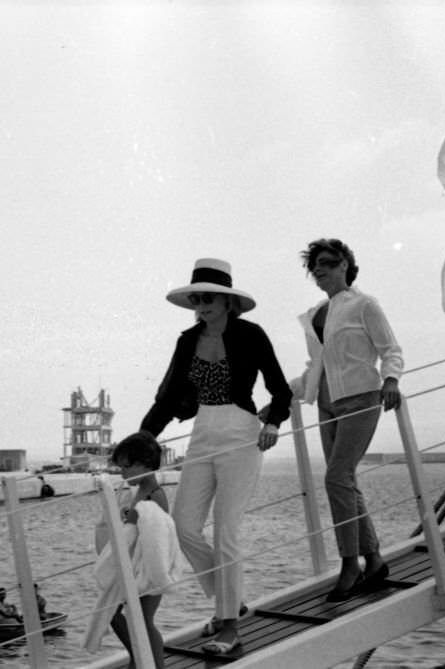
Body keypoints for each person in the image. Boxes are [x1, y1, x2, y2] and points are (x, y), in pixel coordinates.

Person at [139, 257, 292, 656]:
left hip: (242, 434)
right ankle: (230, 598)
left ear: (227, 302)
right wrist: (142, 440)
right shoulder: (187, 341)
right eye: (196, 300)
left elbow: (280, 391)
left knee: (226, 531)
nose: (201, 306)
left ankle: (229, 625)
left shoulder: (251, 335)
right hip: (203, 432)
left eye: (208, 299)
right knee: (184, 526)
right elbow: (169, 396)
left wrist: (274, 423)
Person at [292, 238, 403, 602]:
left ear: (345, 264)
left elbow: (390, 349)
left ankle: (348, 564)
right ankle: (373, 560)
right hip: (326, 402)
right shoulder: (315, 314)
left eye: (326, 262)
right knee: (346, 481)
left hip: (361, 396)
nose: (319, 270)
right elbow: (316, 366)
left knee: (337, 477)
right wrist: (283, 395)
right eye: (314, 265)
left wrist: (391, 380)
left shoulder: (364, 304)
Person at [88, 431, 183, 669]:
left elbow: (158, 536)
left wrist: (132, 520)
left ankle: (154, 664)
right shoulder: (137, 491)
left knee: (143, 620)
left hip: (149, 567)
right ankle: (138, 657)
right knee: (119, 613)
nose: (122, 473)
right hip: (135, 565)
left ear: (145, 464)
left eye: (127, 467)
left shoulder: (155, 496)